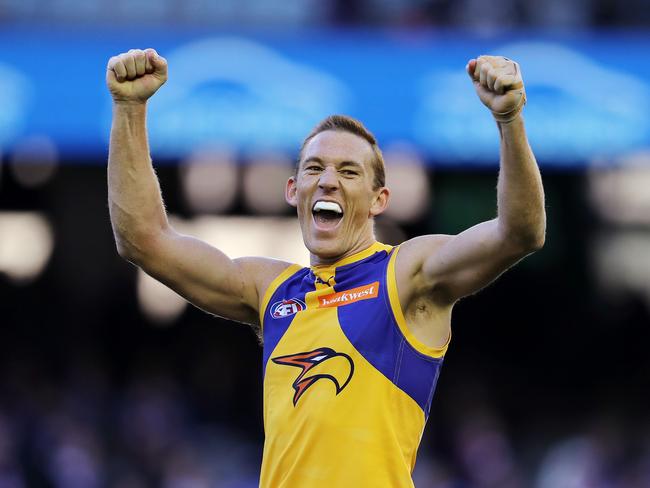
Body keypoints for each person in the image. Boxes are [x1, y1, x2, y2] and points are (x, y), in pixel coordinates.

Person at [106, 48, 545, 487]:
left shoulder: (406, 273)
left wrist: (509, 120)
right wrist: (129, 108)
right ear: (294, 191)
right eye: (314, 168)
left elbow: (519, 233)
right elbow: (144, 240)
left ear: (379, 201)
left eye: (349, 172)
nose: (328, 179)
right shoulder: (271, 289)